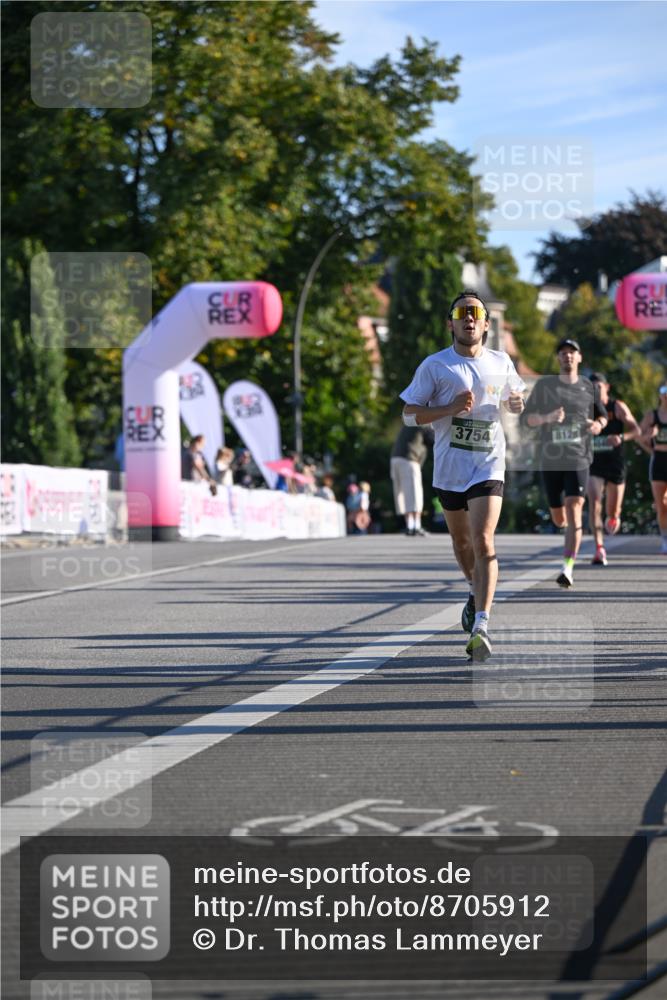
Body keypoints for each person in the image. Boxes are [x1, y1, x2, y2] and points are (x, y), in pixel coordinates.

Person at [400, 288, 526, 661]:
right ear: (451, 323)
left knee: (484, 540)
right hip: (450, 468)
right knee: (462, 544)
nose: (469, 318)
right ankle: (474, 589)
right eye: (462, 313)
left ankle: (481, 625)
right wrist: (448, 408)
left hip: (488, 463)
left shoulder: (501, 362)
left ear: (486, 324)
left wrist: (516, 402)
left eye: (475, 312)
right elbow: (409, 414)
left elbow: (514, 399)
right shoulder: (435, 366)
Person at [522, 339, 607, 588]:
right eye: (563, 353)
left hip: (578, 458)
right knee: (560, 519)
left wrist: (598, 425)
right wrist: (547, 417)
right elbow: (527, 420)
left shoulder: (588, 387)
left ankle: (567, 567)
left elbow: (602, 415)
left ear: (579, 358)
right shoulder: (545, 386)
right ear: (558, 358)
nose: (567, 357)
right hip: (550, 460)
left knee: (574, 508)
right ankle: (569, 531)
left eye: (572, 353)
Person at [586, 373, 642, 564]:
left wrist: (621, 438)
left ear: (606, 387)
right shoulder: (586, 409)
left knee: (612, 512)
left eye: (598, 386)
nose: (595, 390)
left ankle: (614, 516)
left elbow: (637, 430)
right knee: (594, 502)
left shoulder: (617, 406)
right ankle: (599, 548)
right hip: (594, 464)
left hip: (615, 464)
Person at [390, 424, 434, 536]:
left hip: (396, 459)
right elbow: (433, 439)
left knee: (403, 493)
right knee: (415, 493)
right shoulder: (424, 422)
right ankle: (416, 526)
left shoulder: (409, 419)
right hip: (409, 460)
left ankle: (409, 525)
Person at [639, 383, 667, 554]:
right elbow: (639, 437)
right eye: (665, 392)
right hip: (658, 461)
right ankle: (665, 538)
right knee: (661, 505)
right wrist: (650, 441)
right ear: (660, 395)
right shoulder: (652, 415)